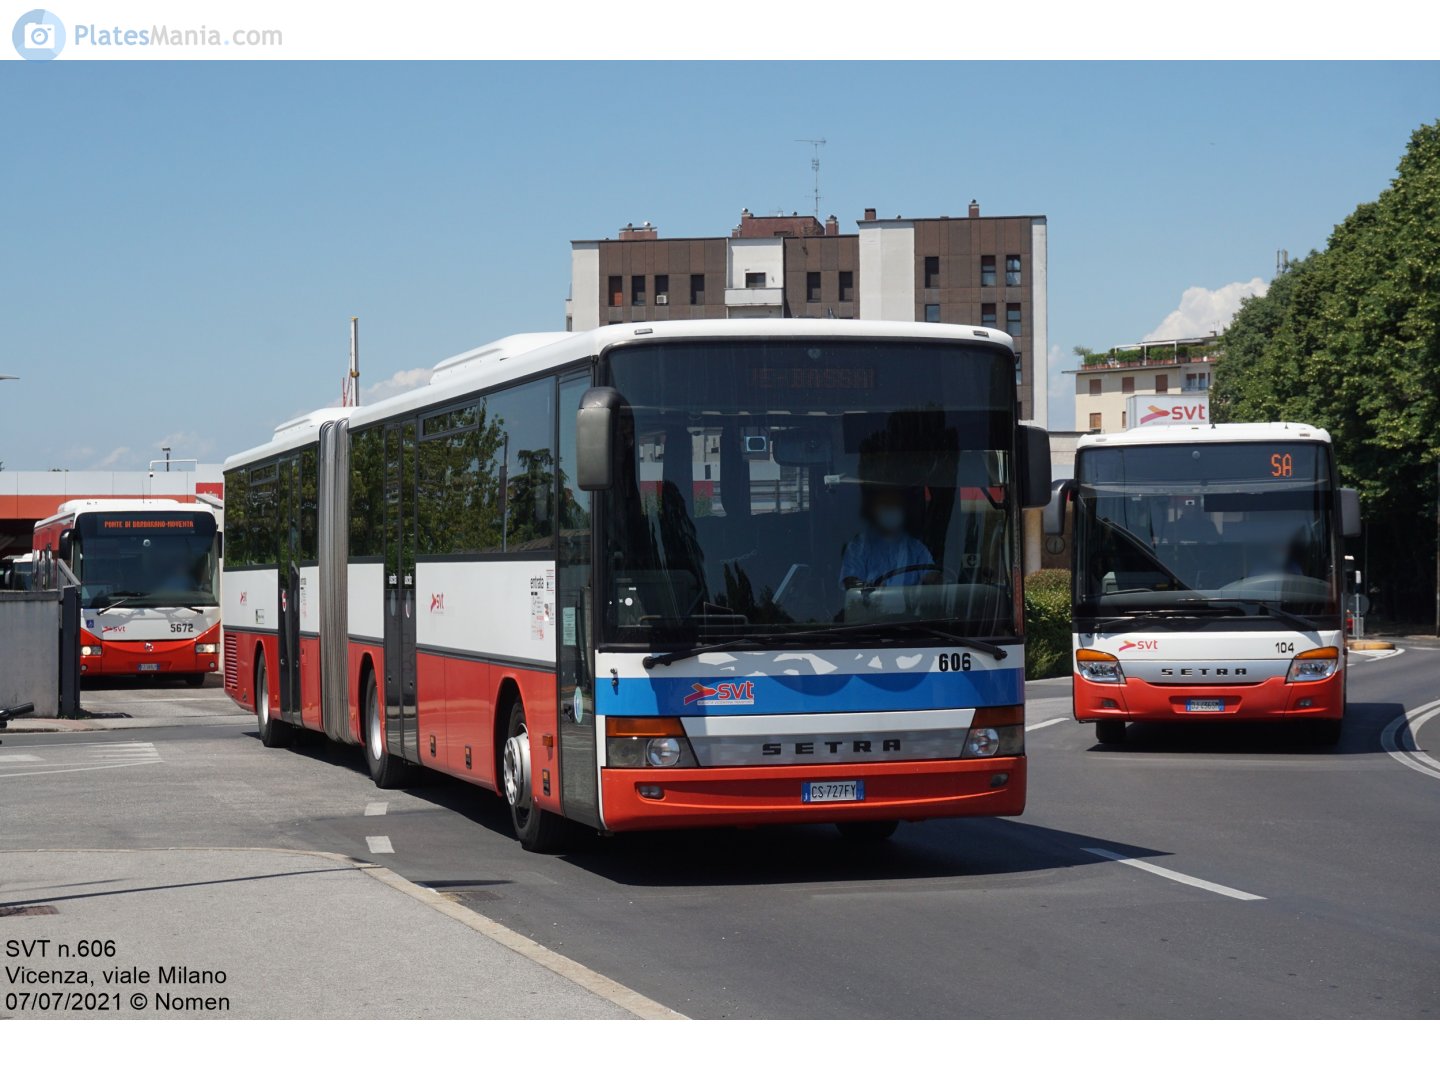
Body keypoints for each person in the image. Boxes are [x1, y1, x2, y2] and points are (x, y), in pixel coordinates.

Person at [840, 487, 938, 589]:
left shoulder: (916, 548)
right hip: (871, 604)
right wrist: (869, 589)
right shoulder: (858, 547)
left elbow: (932, 578)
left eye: (895, 505)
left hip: (909, 604)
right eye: (886, 505)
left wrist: (935, 578)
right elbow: (851, 582)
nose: (891, 510)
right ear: (874, 509)